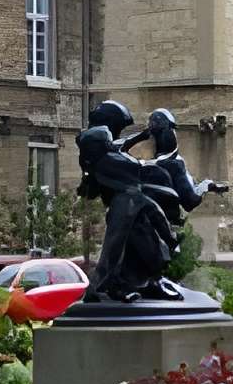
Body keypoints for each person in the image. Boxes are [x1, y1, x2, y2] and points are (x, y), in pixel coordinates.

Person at [76, 101, 181, 301]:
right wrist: (144, 161)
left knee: (148, 243)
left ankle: (151, 281)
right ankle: (106, 287)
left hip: (134, 201)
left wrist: (141, 136)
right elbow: (118, 153)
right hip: (123, 204)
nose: (118, 132)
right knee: (116, 248)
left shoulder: (103, 145)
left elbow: (119, 148)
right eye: (119, 127)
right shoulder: (96, 138)